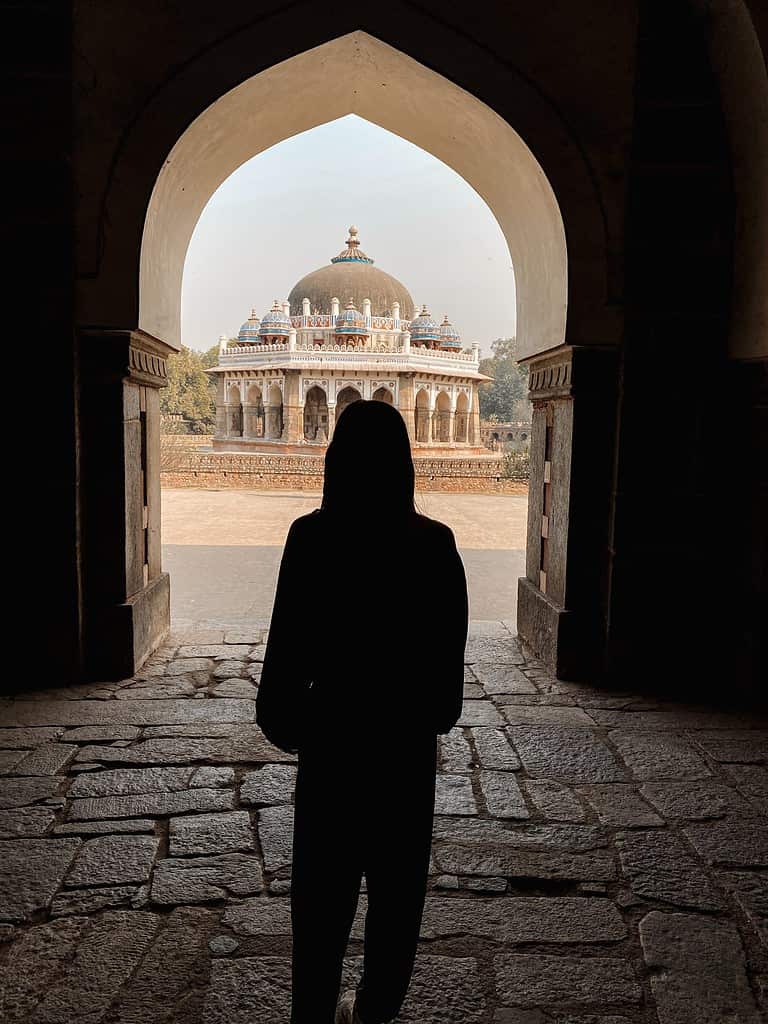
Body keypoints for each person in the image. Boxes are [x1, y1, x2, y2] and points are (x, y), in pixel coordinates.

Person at [256, 399, 469, 1024]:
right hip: (403, 759)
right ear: (404, 465)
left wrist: (312, 726)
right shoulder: (434, 546)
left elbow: (278, 691)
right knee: (398, 906)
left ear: (334, 462)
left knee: (319, 910)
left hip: (333, 754)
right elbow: (444, 704)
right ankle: (373, 1014)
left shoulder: (312, 539)